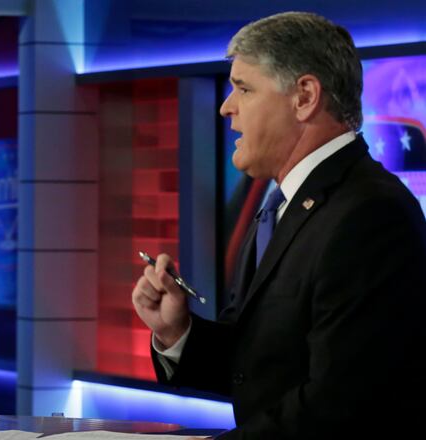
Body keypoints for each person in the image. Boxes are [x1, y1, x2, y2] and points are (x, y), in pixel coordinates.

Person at [132, 12, 426, 438]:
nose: (225, 106)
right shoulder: (282, 205)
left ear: (304, 96)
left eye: (244, 88)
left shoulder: (371, 214)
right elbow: (256, 365)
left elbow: (337, 404)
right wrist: (178, 331)